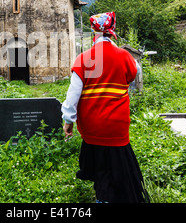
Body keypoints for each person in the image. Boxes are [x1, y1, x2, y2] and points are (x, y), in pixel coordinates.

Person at [61, 12, 149, 203]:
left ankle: (103, 197)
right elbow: (135, 73)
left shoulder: (83, 59)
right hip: (117, 127)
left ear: (93, 30)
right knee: (117, 165)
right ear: (112, 31)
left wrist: (68, 120)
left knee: (100, 167)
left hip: (92, 128)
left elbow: (73, 94)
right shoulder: (125, 57)